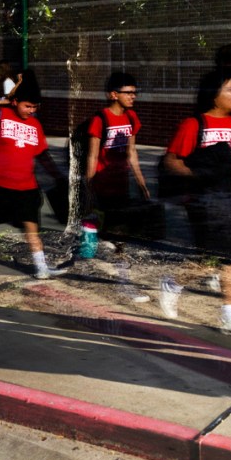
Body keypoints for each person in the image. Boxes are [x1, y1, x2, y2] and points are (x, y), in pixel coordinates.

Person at [160, 71, 231, 339]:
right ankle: (173, 283)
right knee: (212, 258)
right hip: (206, 200)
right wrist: (198, 175)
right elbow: (171, 161)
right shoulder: (194, 124)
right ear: (213, 94)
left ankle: (230, 316)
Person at [0, 74, 67, 279]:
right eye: (27, 106)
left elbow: (42, 154)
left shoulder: (35, 125)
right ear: (15, 102)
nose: (31, 111)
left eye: (35, 107)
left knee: (31, 226)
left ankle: (41, 267)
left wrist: (57, 175)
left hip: (27, 186)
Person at [84, 71, 152, 303]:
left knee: (117, 236)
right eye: (128, 92)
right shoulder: (100, 119)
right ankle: (120, 281)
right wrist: (88, 187)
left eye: (135, 92)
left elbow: (132, 153)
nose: (133, 96)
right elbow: (92, 156)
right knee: (105, 234)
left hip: (121, 187)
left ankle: (121, 281)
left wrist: (141, 183)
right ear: (113, 94)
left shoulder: (131, 118)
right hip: (101, 186)